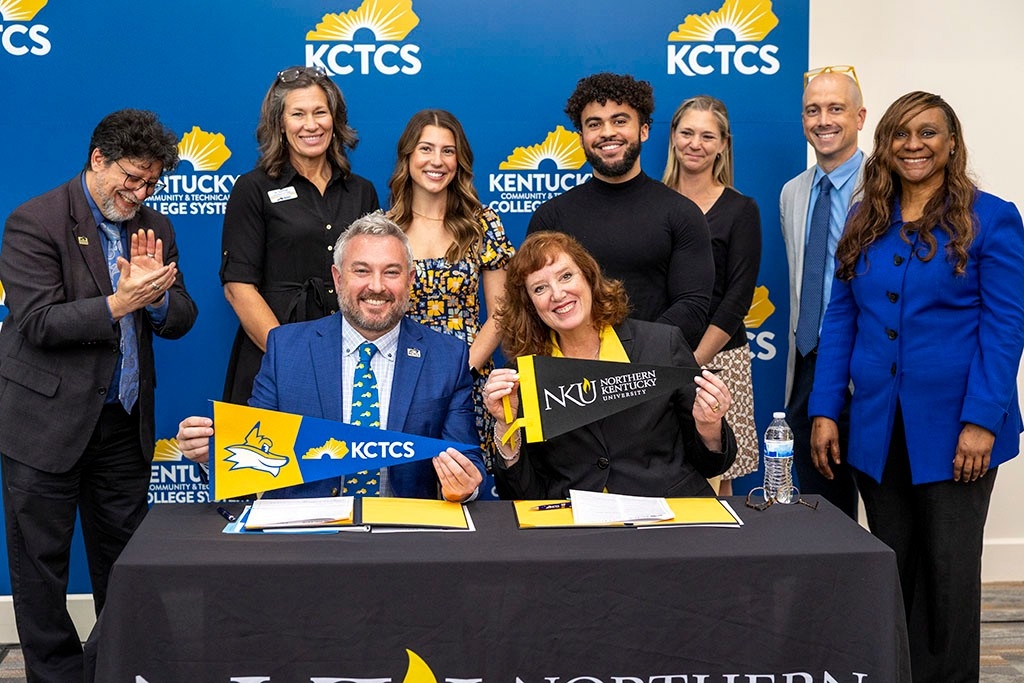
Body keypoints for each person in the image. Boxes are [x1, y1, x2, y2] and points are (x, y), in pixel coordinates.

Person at [809, 91, 1024, 682]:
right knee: (893, 566)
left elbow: (1005, 328)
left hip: (958, 428)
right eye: (901, 133)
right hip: (877, 429)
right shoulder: (865, 218)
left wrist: (982, 420)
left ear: (951, 142)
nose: (913, 144)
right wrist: (826, 408)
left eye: (928, 133)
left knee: (948, 577)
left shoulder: (993, 216)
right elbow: (840, 319)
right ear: (884, 142)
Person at [0, 109, 198, 682]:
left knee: (128, 566)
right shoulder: (34, 221)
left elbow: (181, 316)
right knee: (41, 575)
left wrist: (157, 299)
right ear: (98, 160)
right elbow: (37, 323)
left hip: (121, 425)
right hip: (44, 424)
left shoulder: (155, 228)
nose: (140, 192)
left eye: (152, 182)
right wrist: (122, 301)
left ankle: (117, 668)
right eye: (130, 179)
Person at [178, 213, 484, 501]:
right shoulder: (286, 349)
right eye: (361, 271)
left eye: (391, 272)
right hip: (307, 541)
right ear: (337, 278)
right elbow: (254, 452)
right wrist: (211, 456)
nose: (376, 286)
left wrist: (464, 487)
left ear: (410, 279)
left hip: (404, 539)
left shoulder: (447, 357)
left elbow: (467, 462)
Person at [484, 231, 736, 499]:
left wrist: (709, 425)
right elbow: (521, 495)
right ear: (530, 305)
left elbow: (712, 464)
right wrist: (505, 427)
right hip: (575, 526)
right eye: (540, 288)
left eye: (566, 276)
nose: (557, 294)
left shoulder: (661, 344)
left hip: (667, 516)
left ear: (589, 277)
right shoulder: (526, 376)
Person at [220, 65, 380, 404]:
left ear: (334, 119)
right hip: (272, 359)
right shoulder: (253, 189)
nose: (311, 125)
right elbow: (238, 288)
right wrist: (288, 356)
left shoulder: (361, 191)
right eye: (298, 114)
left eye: (320, 112)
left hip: (349, 361)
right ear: (280, 122)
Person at [527, 72, 713, 349]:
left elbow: (693, 306)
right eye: (594, 124)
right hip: (576, 379)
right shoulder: (551, 217)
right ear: (581, 137)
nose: (607, 133)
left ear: (644, 130)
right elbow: (537, 305)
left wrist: (628, 357)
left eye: (620, 121)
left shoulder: (681, 214)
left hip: (657, 374)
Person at [386, 109, 515, 470]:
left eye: (448, 151)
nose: (437, 161)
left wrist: (460, 372)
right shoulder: (384, 228)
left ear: (460, 160)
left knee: (466, 481)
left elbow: (502, 311)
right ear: (408, 156)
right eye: (426, 149)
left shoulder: (482, 223)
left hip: (468, 374)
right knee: (404, 478)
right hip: (401, 377)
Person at [662, 95, 761, 496]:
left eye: (707, 135)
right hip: (658, 359)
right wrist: (667, 359)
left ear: (723, 144)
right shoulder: (652, 202)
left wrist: (694, 361)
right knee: (658, 468)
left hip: (720, 360)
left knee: (718, 477)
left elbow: (738, 298)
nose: (695, 143)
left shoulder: (741, 210)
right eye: (687, 132)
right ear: (672, 138)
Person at [779, 65, 866, 518]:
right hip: (810, 364)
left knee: (886, 504)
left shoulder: (889, 186)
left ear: (860, 117)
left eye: (836, 108)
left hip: (871, 363)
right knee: (822, 508)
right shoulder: (792, 193)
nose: (823, 120)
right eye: (813, 110)